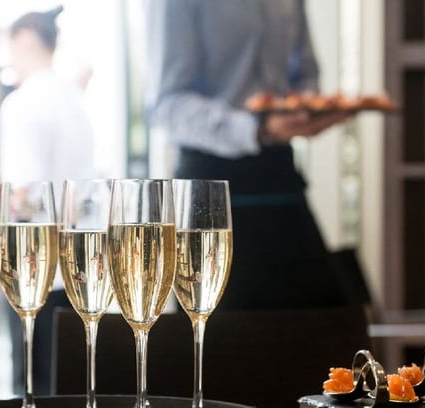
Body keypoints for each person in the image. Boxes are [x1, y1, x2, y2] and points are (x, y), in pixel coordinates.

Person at [145, 0, 350, 309]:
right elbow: (167, 104)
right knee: (223, 337)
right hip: (208, 188)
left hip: (280, 177)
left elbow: (305, 73)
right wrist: (255, 129)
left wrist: (307, 108)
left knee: (323, 324)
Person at [0, 7, 96, 397]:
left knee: (32, 386)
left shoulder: (23, 104)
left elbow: (23, 195)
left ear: (24, 43)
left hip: (32, 266)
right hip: (74, 266)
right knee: (67, 383)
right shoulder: (74, 102)